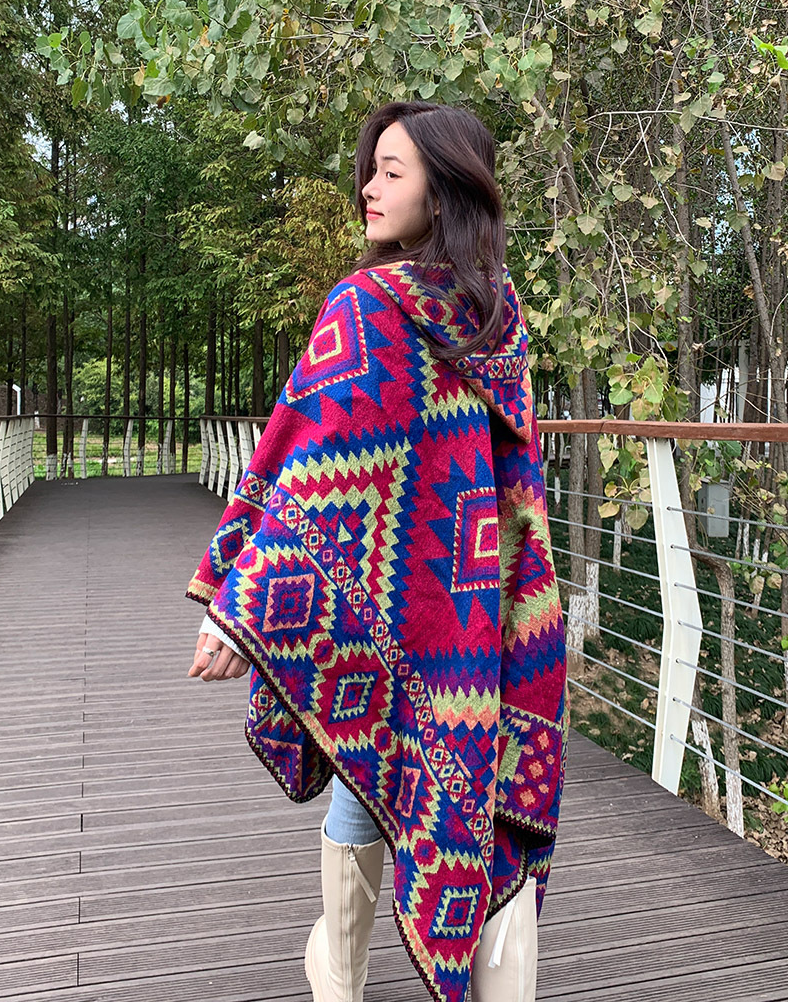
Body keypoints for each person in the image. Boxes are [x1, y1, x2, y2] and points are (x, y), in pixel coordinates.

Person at [186, 101, 569, 1002]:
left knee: (372, 772)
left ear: (445, 191)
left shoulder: (382, 307)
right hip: (473, 611)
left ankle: (339, 975)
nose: (368, 186)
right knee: (473, 789)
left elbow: (299, 463)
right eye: (371, 169)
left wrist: (242, 600)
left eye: (391, 171)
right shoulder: (496, 316)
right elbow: (319, 459)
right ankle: (352, 970)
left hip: (419, 602)